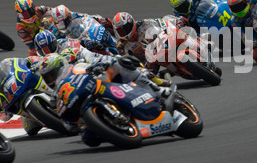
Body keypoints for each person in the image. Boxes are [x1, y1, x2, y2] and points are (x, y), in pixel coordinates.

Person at [39, 53, 171, 146]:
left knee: (120, 63)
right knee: (89, 139)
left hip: (106, 85)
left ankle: (156, 90)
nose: (51, 79)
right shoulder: (56, 95)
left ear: (61, 65)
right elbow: (69, 127)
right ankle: (113, 128)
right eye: (48, 77)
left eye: (52, 74)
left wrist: (102, 64)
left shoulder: (77, 67)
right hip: (87, 105)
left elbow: (100, 60)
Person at [0, 54, 51, 135]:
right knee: (30, 129)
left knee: (42, 72)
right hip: (19, 104)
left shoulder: (7, 63)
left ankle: (52, 91)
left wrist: (35, 62)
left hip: (25, 84)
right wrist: (2, 113)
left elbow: (23, 61)